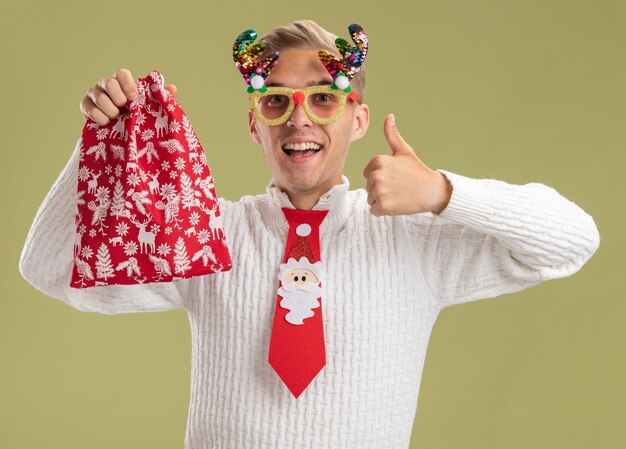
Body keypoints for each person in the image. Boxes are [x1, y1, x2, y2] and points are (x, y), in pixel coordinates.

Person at [19, 19, 600, 449]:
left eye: (324, 98)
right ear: (256, 124)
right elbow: (47, 268)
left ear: (358, 119)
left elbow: (574, 239)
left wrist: (445, 193)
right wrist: (97, 145)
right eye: (277, 102)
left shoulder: (412, 241)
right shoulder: (205, 234)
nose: (300, 118)